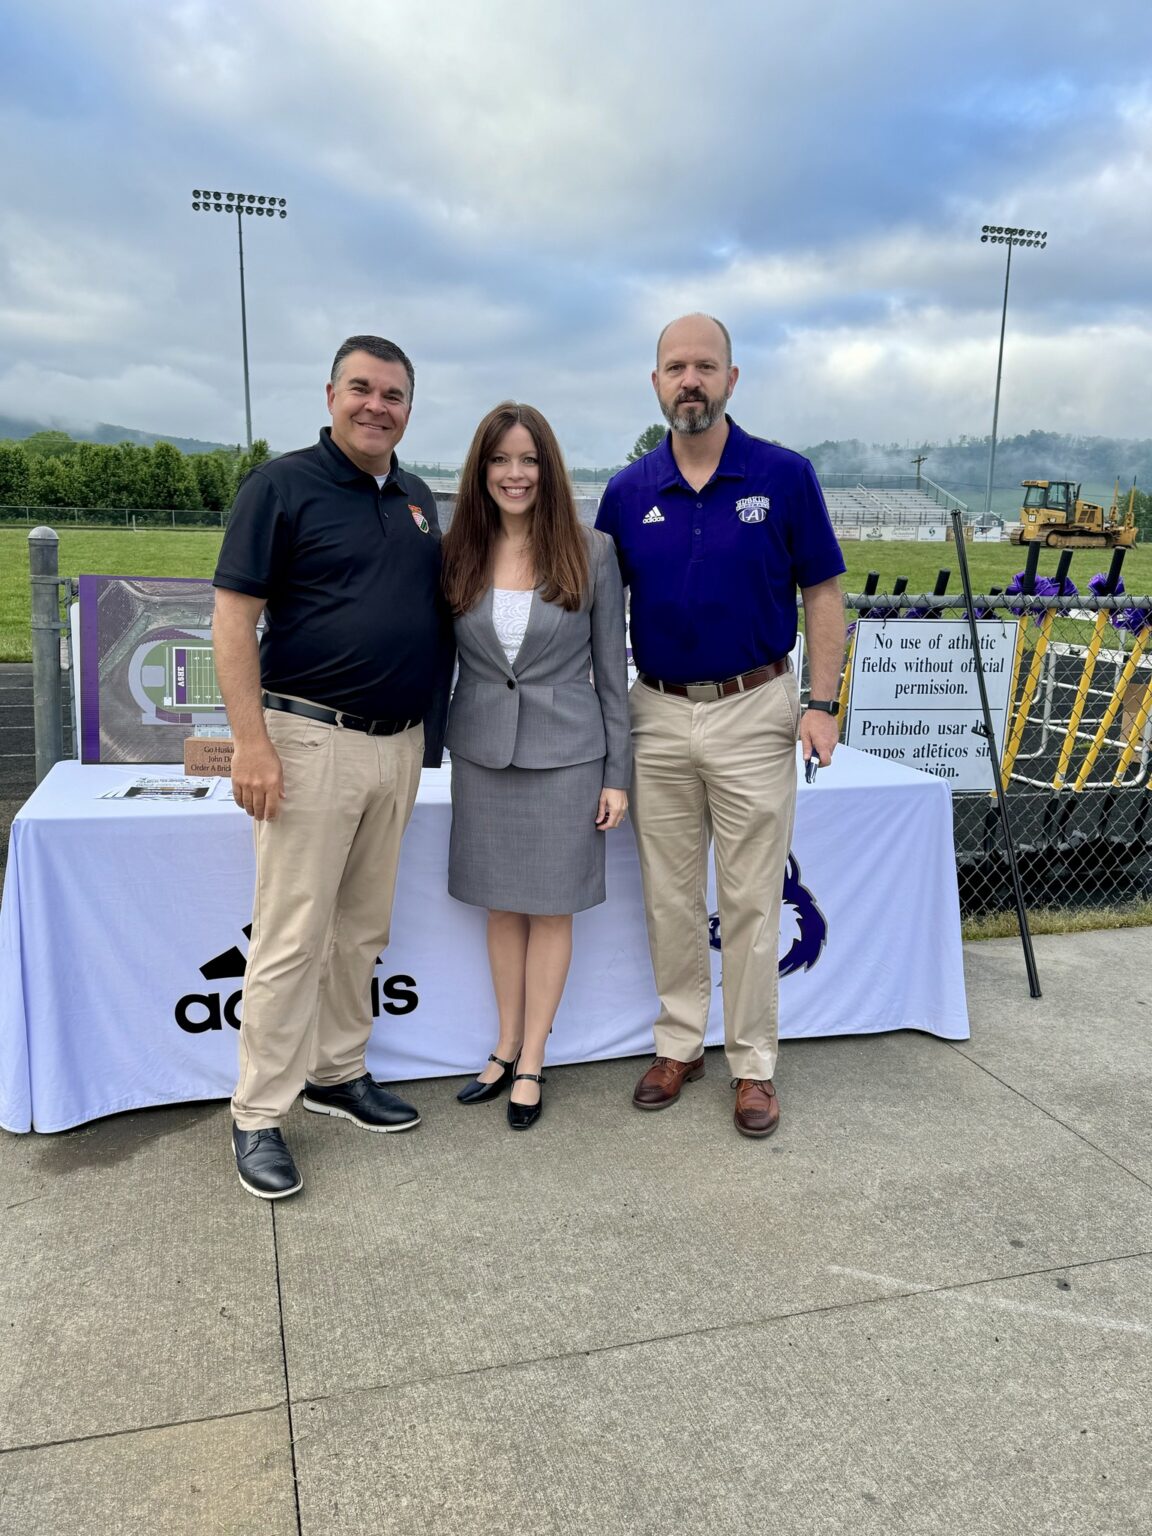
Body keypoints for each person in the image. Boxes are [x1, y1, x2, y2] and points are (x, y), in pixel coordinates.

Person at [212, 335, 453, 1199]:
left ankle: (336, 1073)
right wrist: (251, 743)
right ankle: (257, 1114)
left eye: (393, 394)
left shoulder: (421, 499)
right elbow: (233, 619)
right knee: (290, 936)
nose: (375, 406)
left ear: (408, 409)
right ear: (329, 394)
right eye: (361, 389)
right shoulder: (280, 485)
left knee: (361, 929)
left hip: (398, 745)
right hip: (308, 740)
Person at [595, 314, 846, 1138]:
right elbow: (599, 615)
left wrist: (822, 702)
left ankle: (753, 1064)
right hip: (657, 712)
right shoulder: (628, 492)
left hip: (754, 709)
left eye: (706, 366)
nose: (690, 380)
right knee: (668, 895)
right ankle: (678, 1043)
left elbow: (824, 596)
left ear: (732, 379)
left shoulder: (784, 475)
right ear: (657, 381)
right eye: (676, 367)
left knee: (749, 899)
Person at [441, 402, 631, 1129]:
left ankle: (532, 1062)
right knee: (501, 904)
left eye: (528, 460)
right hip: (484, 751)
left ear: (548, 469)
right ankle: (502, 1044)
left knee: (551, 908)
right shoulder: (459, 547)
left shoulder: (594, 551)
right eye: (500, 460)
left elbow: (612, 673)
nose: (514, 474)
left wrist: (619, 773)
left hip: (568, 757)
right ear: (481, 469)